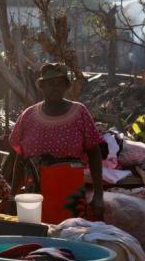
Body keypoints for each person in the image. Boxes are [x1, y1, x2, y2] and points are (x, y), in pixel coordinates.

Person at [10, 62, 105, 221]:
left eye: (60, 84)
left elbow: (94, 153)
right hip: (35, 195)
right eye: (50, 84)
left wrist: (98, 194)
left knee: (69, 236)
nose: (55, 88)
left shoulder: (79, 112)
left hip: (69, 192)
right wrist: (13, 195)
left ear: (66, 87)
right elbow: (20, 158)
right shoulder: (28, 116)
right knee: (37, 238)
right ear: (42, 86)